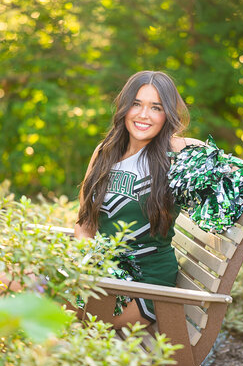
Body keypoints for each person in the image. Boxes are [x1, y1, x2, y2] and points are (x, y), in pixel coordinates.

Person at [75, 70, 203, 328]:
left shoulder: (175, 155)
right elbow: (85, 224)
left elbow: (233, 174)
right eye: (136, 104)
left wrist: (179, 143)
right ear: (124, 108)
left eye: (156, 107)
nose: (144, 115)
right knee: (16, 277)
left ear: (167, 114)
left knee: (43, 302)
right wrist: (88, 263)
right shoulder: (105, 152)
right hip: (105, 278)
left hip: (147, 288)